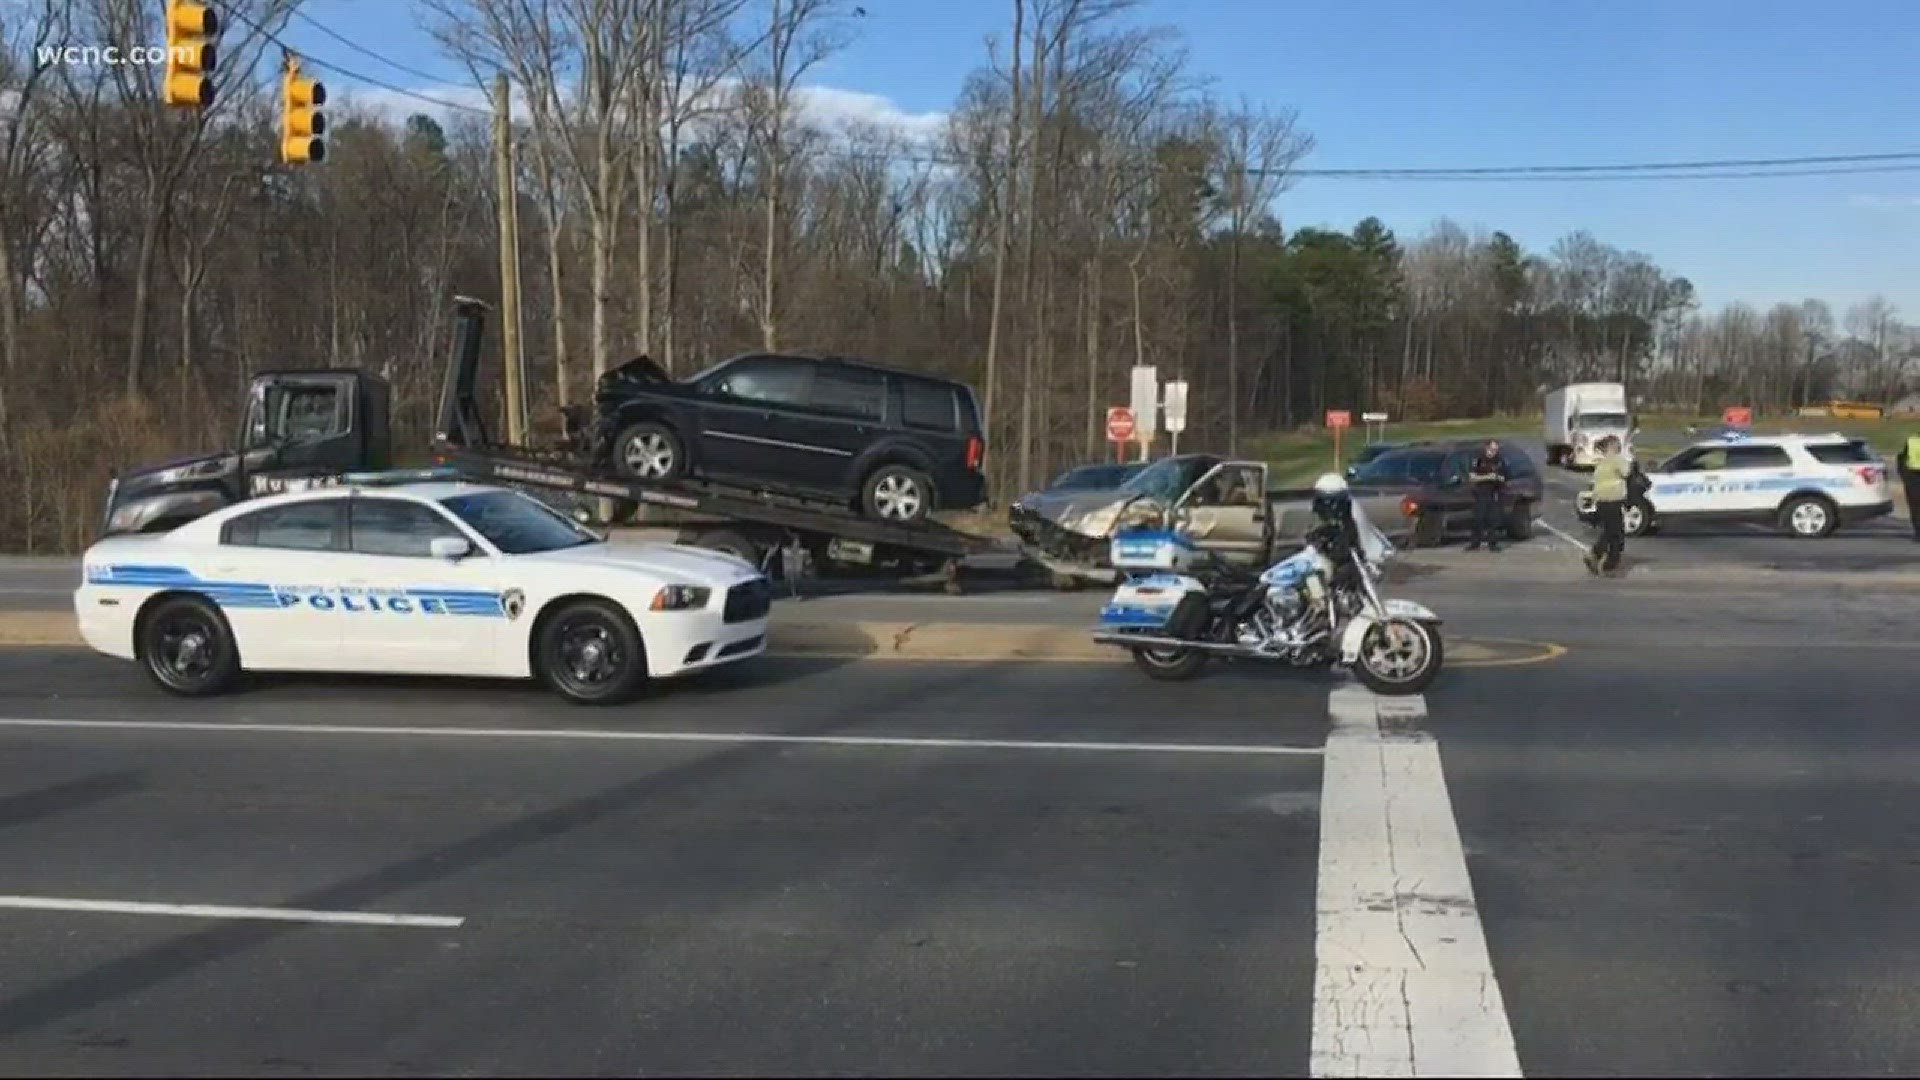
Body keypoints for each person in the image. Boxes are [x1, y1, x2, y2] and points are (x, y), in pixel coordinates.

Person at [1584, 435, 1630, 576]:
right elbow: (1626, 472)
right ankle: (1602, 558)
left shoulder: (1601, 464)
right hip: (1613, 500)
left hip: (1602, 500)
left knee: (1610, 530)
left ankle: (1603, 559)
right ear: (1612, 447)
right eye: (1617, 445)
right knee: (1615, 533)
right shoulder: (1616, 460)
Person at [1464, 440, 1511, 552]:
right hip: (1480, 492)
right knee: (1478, 519)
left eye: (1496, 450)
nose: (1494, 452)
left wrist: (1498, 478)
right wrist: (1488, 477)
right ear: (1486, 448)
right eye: (1492, 449)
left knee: (1493, 520)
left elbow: (1504, 477)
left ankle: (1493, 544)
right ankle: (1475, 543)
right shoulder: (1478, 460)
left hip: (1494, 493)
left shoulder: (1499, 461)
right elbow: (1472, 477)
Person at [1899, 434, 1920, 542]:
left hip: (1912, 477)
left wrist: (1904, 476)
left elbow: (1901, 459)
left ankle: (1918, 533)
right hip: (1912, 477)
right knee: (1915, 507)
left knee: (1915, 508)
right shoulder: (1911, 440)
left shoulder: (1911, 440)